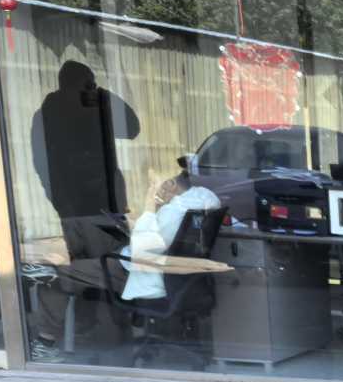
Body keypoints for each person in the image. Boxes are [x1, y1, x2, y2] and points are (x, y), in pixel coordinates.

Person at [27, 59, 141, 360]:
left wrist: (55, 197)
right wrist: (104, 95)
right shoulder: (95, 108)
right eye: (91, 83)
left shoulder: (43, 115)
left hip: (67, 210)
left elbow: (38, 162)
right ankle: (113, 332)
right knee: (111, 270)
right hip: (102, 210)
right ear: (85, 84)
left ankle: (70, 331)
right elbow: (133, 127)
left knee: (81, 273)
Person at [117, 159, 222, 303]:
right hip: (186, 277)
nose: (152, 189)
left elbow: (142, 251)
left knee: (85, 267)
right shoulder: (205, 196)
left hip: (153, 278)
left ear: (170, 183)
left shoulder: (173, 211)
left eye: (153, 184)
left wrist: (139, 222)